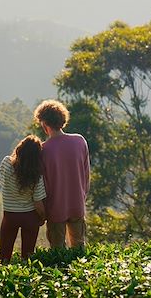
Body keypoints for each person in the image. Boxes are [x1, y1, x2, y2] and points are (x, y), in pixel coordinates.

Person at [34, 100, 90, 249]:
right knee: (79, 249)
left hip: (55, 208)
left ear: (45, 124)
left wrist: (42, 210)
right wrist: (82, 197)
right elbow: (86, 176)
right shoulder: (80, 141)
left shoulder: (43, 150)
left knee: (57, 251)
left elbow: (42, 183)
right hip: (77, 204)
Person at [0, 135, 47, 263]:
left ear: (19, 148)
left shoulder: (6, 163)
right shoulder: (37, 175)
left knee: (4, 256)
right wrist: (42, 218)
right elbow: (38, 202)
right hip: (30, 217)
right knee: (28, 257)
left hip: (10, 216)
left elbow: (2, 183)